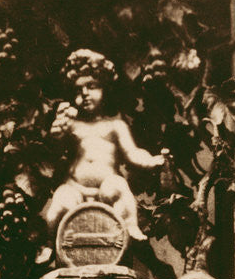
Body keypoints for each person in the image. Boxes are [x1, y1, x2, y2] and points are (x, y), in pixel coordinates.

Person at [45, 49, 164, 242]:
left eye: (91, 86)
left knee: (118, 186)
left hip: (105, 187)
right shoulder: (72, 125)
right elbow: (56, 153)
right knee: (60, 200)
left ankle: (130, 226)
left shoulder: (114, 126)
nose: (84, 94)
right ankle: (50, 243)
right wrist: (57, 134)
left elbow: (132, 153)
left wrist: (151, 160)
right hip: (75, 186)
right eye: (78, 89)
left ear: (104, 88)